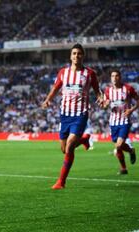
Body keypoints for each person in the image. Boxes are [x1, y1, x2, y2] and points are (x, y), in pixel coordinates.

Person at [42, 43, 104, 190]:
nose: (77, 56)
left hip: (80, 114)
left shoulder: (90, 74)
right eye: (74, 53)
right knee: (64, 149)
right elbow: (55, 88)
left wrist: (101, 98)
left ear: (83, 56)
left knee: (69, 146)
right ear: (71, 56)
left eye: (79, 53)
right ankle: (84, 140)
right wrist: (48, 99)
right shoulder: (63, 72)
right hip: (65, 114)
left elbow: (97, 90)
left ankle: (61, 182)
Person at [103, 70, 138, 175]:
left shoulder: (128, 88)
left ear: (120, 77)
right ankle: (124, 167)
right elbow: (105, 106)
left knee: (118, 145)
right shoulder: (108, 90)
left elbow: (138, 100)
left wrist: (131, 110)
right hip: (113, 122)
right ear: (111, 78)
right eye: (112, 76)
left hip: (124, 121)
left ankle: (130, 153)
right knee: (118, 147)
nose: (114, 78)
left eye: (116, 75)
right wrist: (105, 104)